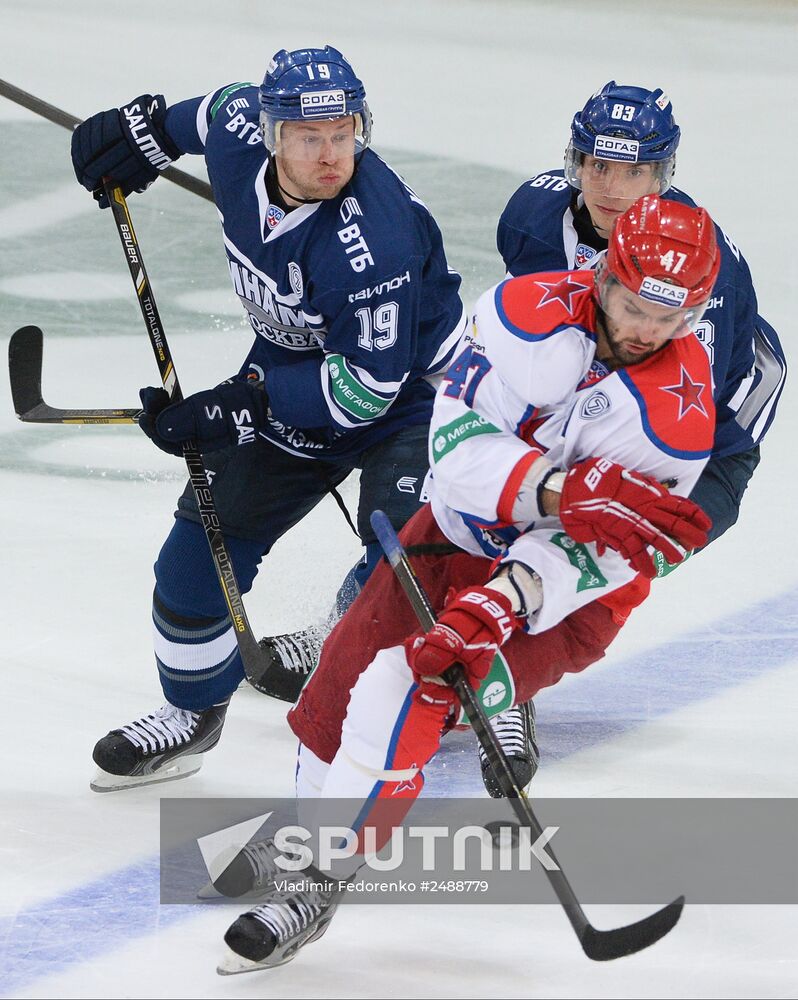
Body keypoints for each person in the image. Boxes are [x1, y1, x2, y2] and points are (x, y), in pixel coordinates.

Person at [214, 195, 718, 973]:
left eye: (672, 317)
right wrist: (557, 491)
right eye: (634, 304)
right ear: (606, 275)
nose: (649, 331)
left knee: (404, 690)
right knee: (338, 687)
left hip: (560, 602)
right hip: (452, 533)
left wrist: (506, 597)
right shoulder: (523, 314)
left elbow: (620, 555)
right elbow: (453, 445)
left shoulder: (677, 418)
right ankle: (306, 829)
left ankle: (317, 881)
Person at [70, 45, 467, 791]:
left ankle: (356, 631)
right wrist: (137, 136)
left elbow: (364, 394)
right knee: (189, 570)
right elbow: (202, 111)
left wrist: (240, 408)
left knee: (406, 568)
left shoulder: (370, 242)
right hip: (293, 370)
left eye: (342, 132)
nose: (329, 154)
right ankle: (193, 713)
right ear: (270, 133)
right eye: (309, 135)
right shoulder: (235, 127)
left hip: (415, 398)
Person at [481, 80, 786, 797]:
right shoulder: (532, 216)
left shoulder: (696, 261)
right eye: (598, 166)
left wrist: (573, 487)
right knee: (479, 493)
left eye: (636, 172)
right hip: (585, 405)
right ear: (575, 160)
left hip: (700, 448)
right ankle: (369, 613)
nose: (612, 187)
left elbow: (672, 413)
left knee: (583, 564)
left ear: (664, 175)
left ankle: (512, 689)